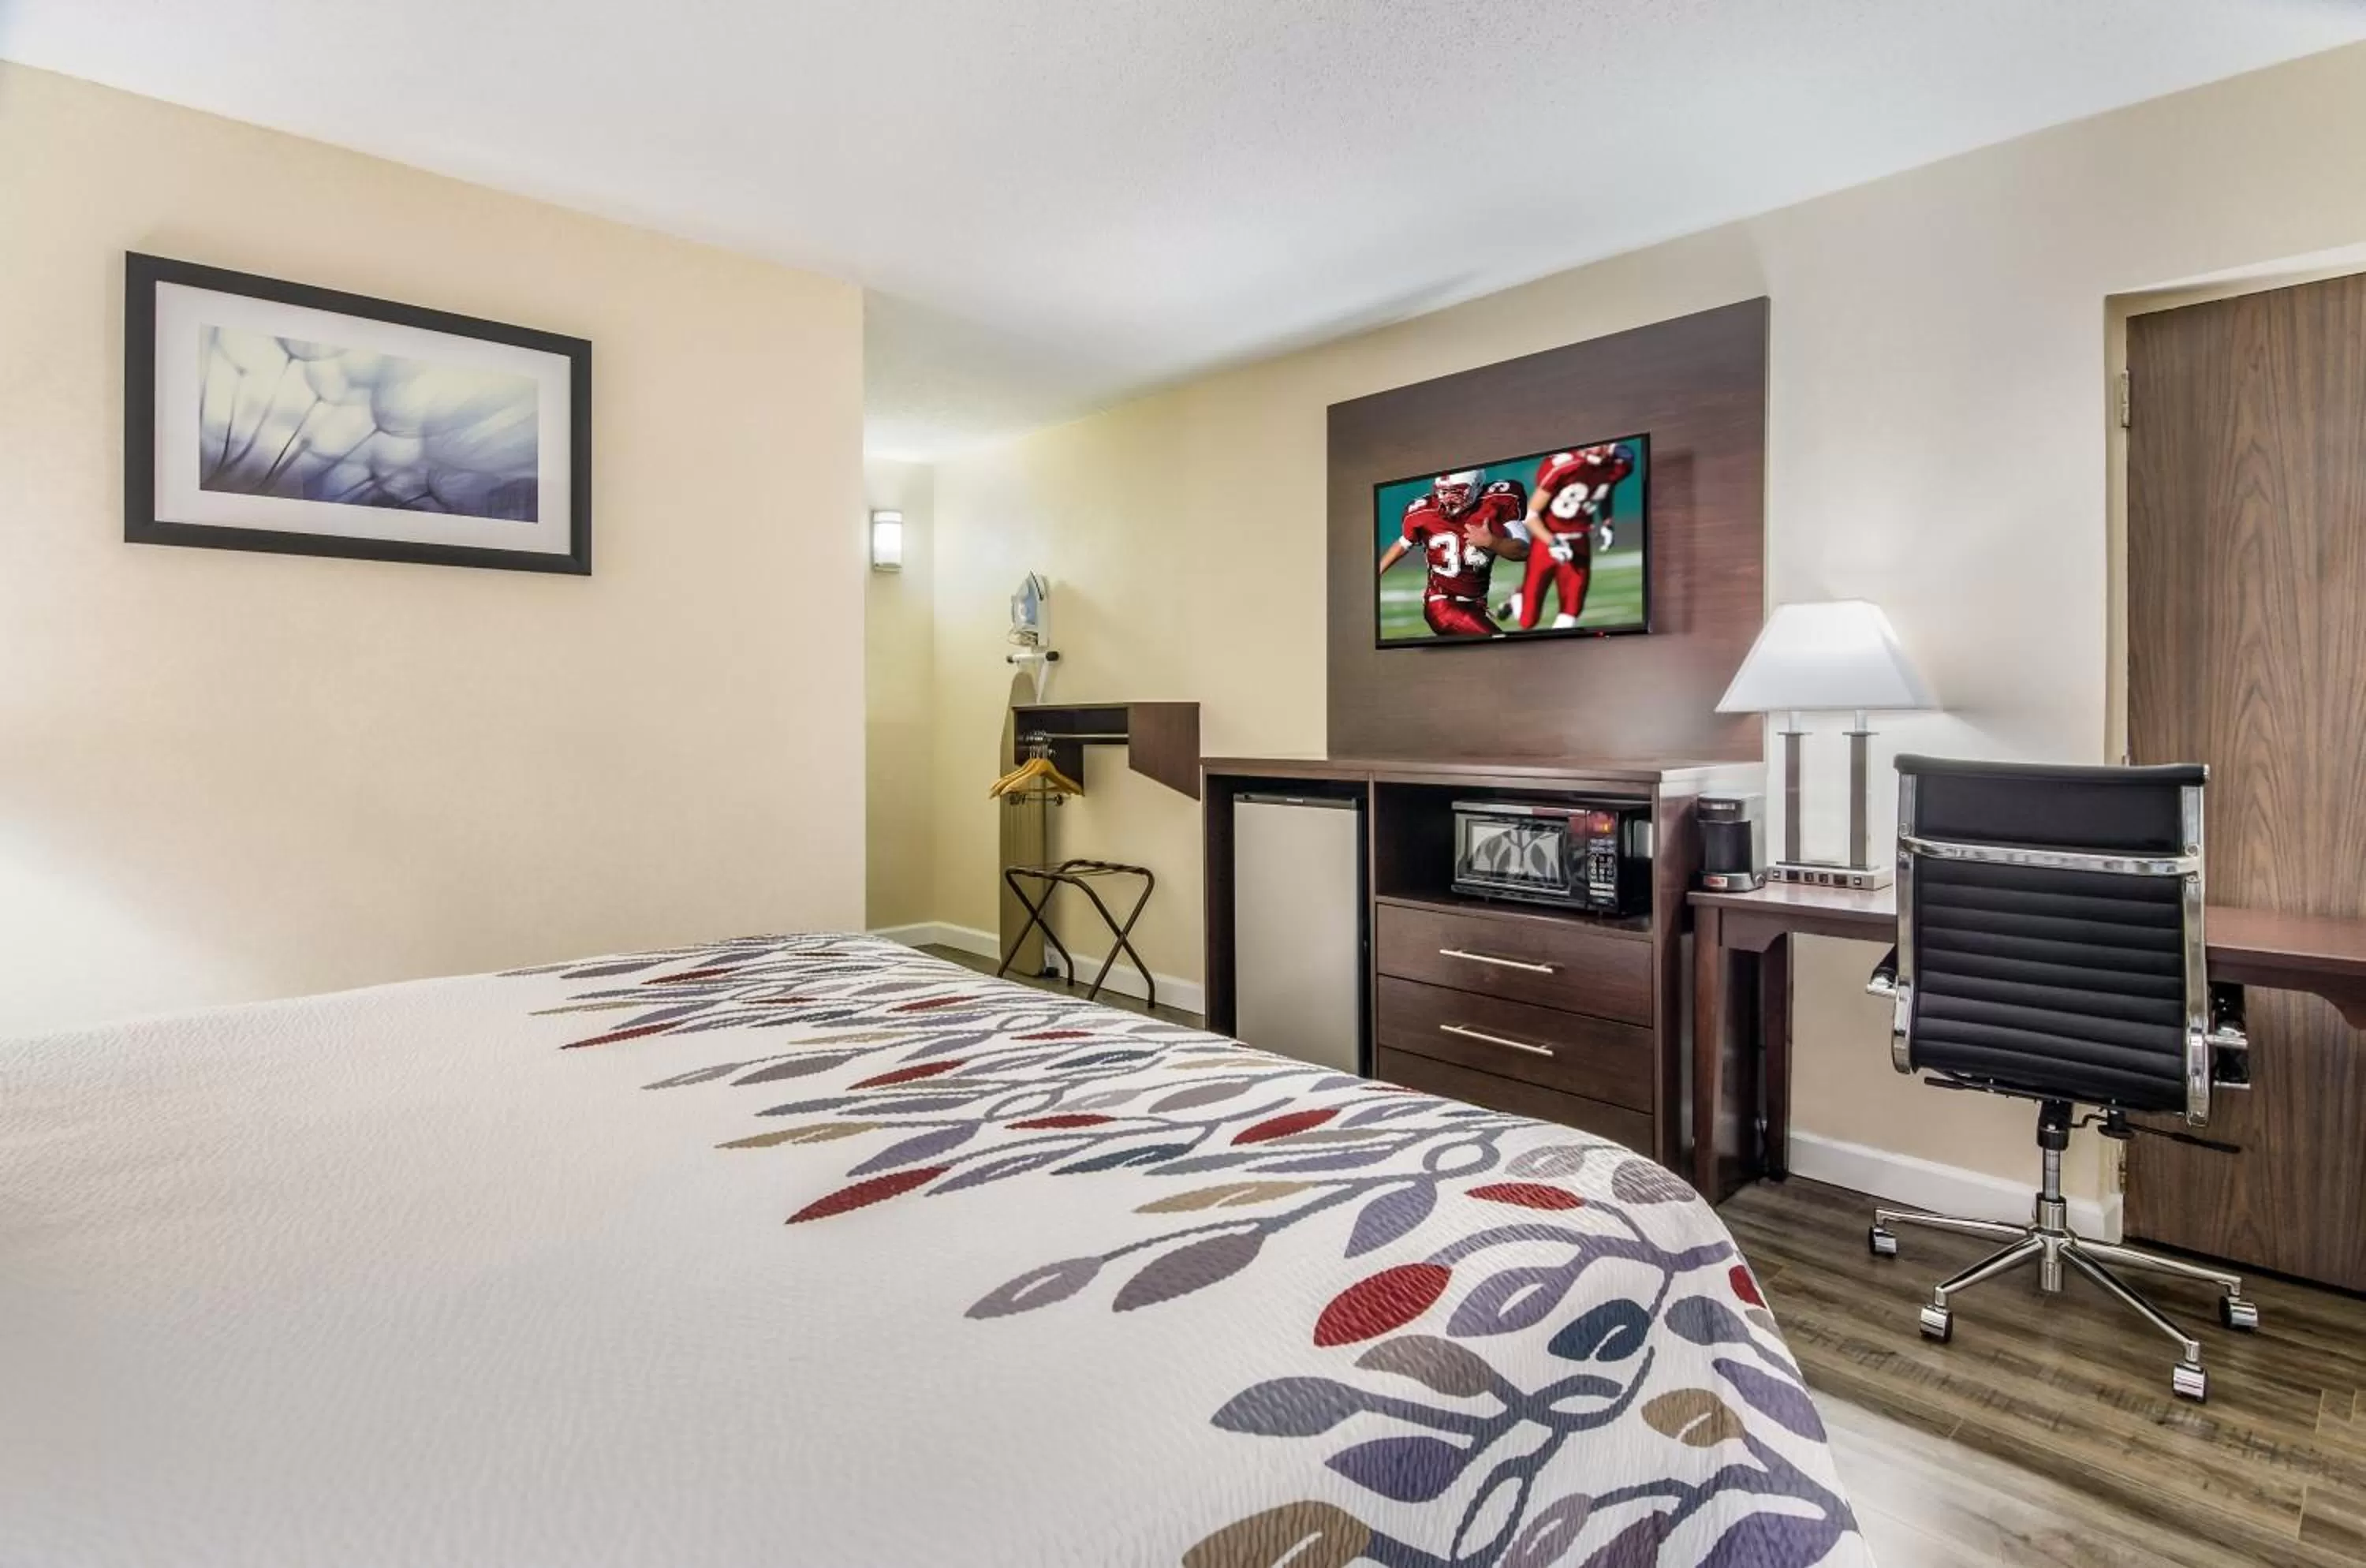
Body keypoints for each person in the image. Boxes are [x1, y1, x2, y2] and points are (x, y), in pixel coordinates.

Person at [1376, 469, 1530, 637]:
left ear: (1476, 487)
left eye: (1455, 492)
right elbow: (1404, 543)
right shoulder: (1423, 512)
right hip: (1443, 606)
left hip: (1476, 605)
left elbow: (1523, 551)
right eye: (1443, 492)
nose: (1447, 499)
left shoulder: (1498, 501)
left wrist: (1491, 542)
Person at [1500, 442, 1635, 631]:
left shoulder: (1617, 465)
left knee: (1570, 616)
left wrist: (1607, 522)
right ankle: (1517, 597)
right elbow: (1530, 515)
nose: (1603, 449)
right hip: (1547, 540)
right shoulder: (1563, 466)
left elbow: (1605, 488)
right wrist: (1553, 542)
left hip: (1579, 539)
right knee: (1528, 621)